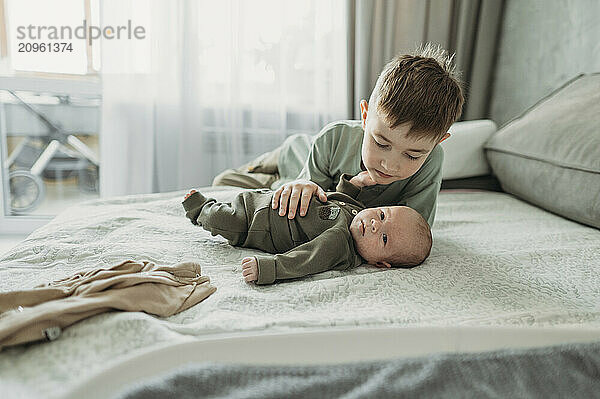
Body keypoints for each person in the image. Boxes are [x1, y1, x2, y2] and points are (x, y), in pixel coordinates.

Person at [212, 43, 464, 227]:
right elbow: (305, 206)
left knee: (228, 182)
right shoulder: (334, 137)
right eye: (380, 143)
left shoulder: (432, 160)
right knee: (227, 180)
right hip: (300, 153)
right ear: (365, 117)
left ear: (438, 143)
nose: (390, 164)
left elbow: (414, 228)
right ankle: (273, 161)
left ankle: (277, 178)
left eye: (412, 155)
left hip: (312, 174)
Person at [182, 174, 432, 285]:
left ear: (380, 264)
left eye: (385, 238)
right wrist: (354, 183)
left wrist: (270, 268)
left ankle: (199, 209)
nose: (376, 224)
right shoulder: (360, 213)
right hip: (269, 199)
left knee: (220, 220)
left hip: (255, 227)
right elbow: (341, 197)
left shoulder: (340, 244)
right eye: (382, 214)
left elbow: (306, 260)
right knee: (233, 198)